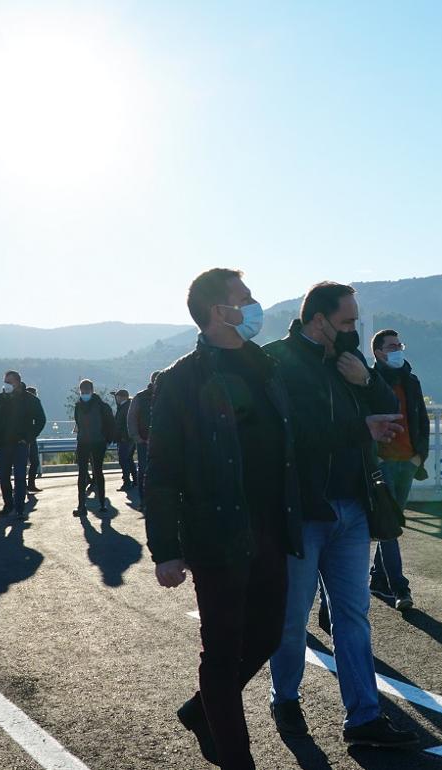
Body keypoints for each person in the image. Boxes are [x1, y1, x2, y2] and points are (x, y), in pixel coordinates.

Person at [147, 268, 303, 770]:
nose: (256, 305)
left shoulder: (267, 367)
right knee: (221, 651)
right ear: (221, 311)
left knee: (269, 635)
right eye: (247, 298)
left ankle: (200, 711)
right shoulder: (180, 380)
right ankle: (238, 760)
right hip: (215, 532)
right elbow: (162, 470)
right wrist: (165, 549)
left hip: (271, 529)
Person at [264, 282, 418, 749]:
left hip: (353, 506)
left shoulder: (348, 363)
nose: (355, 329)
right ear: (318, 320)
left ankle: (364, 718)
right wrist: (360, 426)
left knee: (353, 616)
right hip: (304, 511)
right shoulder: (276, 362)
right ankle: (285, 698)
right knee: (293, 618)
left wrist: (367, 382)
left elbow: (388, 410)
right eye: (348, 321)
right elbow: (288, 435)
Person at [368, 329, 428, 611]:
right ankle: (400, 588)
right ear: (378, 352)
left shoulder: (410, 381)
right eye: (392, 346)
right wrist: (375, 459)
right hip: (383, 464)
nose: (398, 349)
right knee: (390, 527)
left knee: (392, 523)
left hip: (407, 461)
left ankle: (378, 578)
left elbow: (422, 420)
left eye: (399, 344)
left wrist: (419, 456)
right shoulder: (368, 382)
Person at [0, 370, 45, 519]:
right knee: (3, 477)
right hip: (2, 445)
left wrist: (28, 438)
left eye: (9, 381)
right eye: (5, 381)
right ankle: (8, 504)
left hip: (21, 445)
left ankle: (19, 507)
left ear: (18, 382)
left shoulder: (30, 400)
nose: (6, 384)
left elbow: (41, 420)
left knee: (20, 476)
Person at [73, 380, 117, 516]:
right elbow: (78, 423)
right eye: (82, 391)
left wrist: (106, 440)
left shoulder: (102, 406)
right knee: (82, 473)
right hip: (83, 443)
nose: (84, 394)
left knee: (98, 471)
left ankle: (102, 503)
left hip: (98, 442)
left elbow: (110, 423)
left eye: (86, 391)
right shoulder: (78, 406)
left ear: (92, 390)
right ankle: (81, 506)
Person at [127, 371, 159, 503]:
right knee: (144, 472)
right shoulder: (140, 397)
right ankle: (144, 501)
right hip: (144, 441)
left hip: (162, 442)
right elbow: (132, 418)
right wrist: (137, 437)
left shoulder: (168, 396)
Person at [113, 389, 136, 491]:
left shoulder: (125, 407)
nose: (116, 398)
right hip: (129, 438)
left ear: (122, 397)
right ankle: (135, 480)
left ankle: (127, 482)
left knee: (123, 460)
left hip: (125, 439)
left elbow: (124, 423)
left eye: (117, 396)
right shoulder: (127, 406)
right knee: (129, 459)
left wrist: (122, 436)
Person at [25, 386, 45, 493]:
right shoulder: (24, 406)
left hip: (31, 438)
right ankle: (24, 484)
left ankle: (30, 484)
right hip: (27, 438)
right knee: (23, 462)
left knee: (35, 462)